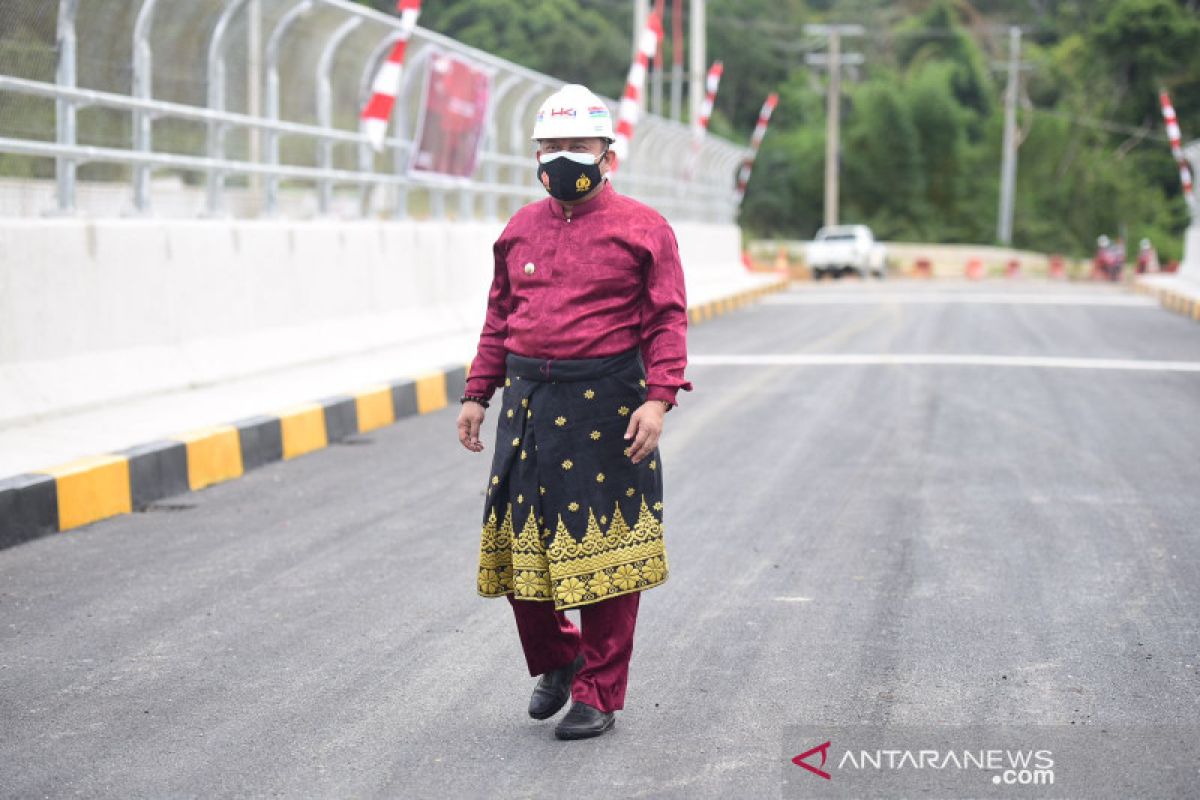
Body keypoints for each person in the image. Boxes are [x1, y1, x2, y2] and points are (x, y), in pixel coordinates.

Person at [455, 83, 691, 741]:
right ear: (536, 154)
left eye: (577, 146)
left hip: (608, 404)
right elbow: (499, 317)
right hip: (528, 407)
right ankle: (560, 658)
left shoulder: (645, 228)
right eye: (552, 146)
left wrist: (658, 397)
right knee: (517, 553)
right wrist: (479, 393)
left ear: (606, 155)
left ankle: (600, 693)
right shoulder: (518, 229)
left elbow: (667, 320)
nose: (564, 157)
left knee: (609, 555)